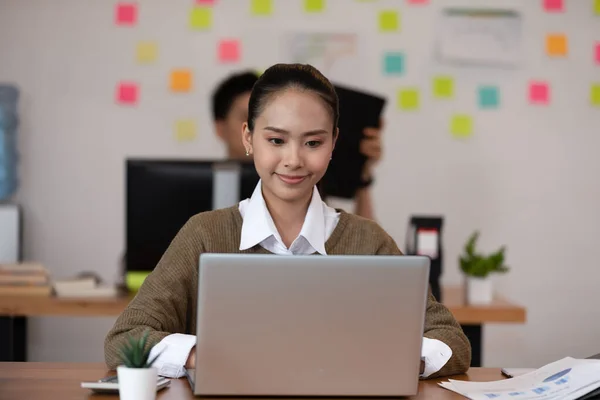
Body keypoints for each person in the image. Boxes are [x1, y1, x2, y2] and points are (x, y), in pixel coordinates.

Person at [104, 63, 471, 380]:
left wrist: (391, 357)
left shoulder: (368, 240)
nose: (293, 160)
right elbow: (125, 338)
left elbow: (451, 341)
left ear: (333, 143)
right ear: (249, 138)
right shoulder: (204, 233)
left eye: (312, 143)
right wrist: (208, 356)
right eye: (276, 140)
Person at [211, 70, 381, 219]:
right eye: (248, 118)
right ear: (221, 128)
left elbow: (362, 249)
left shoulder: (308, 176)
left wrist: (362, 172)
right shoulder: (206, 203)